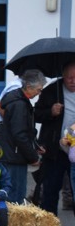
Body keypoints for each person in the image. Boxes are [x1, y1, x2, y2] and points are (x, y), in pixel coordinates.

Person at [0, 69, 46, 204]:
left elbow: (24, 130)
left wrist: (35, 146)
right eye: (39, 89)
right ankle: (7, 224)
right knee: (15, 196)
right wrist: (33, 157)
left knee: (11, 194)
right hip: (14, 156)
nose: (39, 93)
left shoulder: (18, 100)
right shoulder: (19, 104)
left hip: (12, 153)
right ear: (29, 87)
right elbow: (20, 134)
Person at [33, 62, 75, 215]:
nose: (73, 81)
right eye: (69, 77)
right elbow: (36, 114)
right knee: (50, 191)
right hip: (55, 149)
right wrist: (51, 112)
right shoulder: (52, 90)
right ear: (63, 76)